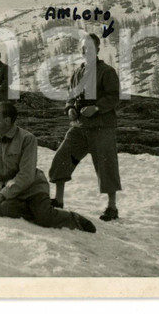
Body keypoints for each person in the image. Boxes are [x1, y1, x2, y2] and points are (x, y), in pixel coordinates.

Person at [0, 102, 96, 233]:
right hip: (7, 192)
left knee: (44, 218)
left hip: (32, 188)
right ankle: (38, 209)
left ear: (7, 121)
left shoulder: (27, 139)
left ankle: (73, 219)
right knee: (4, 209)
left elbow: (26, 176)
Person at [48, 33, 122, 221]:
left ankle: (111, 207)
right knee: (62, 157)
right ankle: (58, 200)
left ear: (97, 49)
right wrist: (70, 109)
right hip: (80, 126)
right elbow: (70, 96)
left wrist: (96, 108)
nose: (85, 51)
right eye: (83, 48)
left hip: (102, 126)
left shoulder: (107, 72)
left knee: (107, 165)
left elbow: (114, 97)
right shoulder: (77, 73)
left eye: (89, 48)